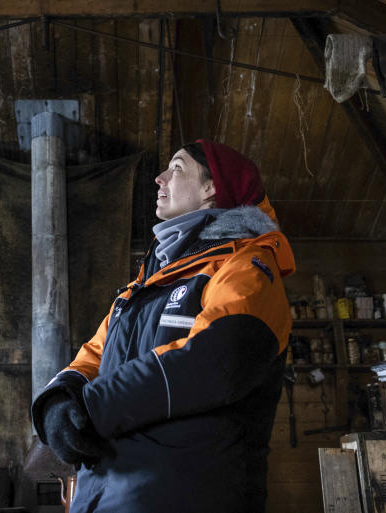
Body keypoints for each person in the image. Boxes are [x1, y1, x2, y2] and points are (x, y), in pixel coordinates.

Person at [31, 139, 295, 513]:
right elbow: (94, 355)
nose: (159, 178)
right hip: (106, 498)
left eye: (177, 168)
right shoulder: (144, 285)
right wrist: (59, 398)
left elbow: (215, 360)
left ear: (211, 188)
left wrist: (92, 406)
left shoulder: (246, 267)